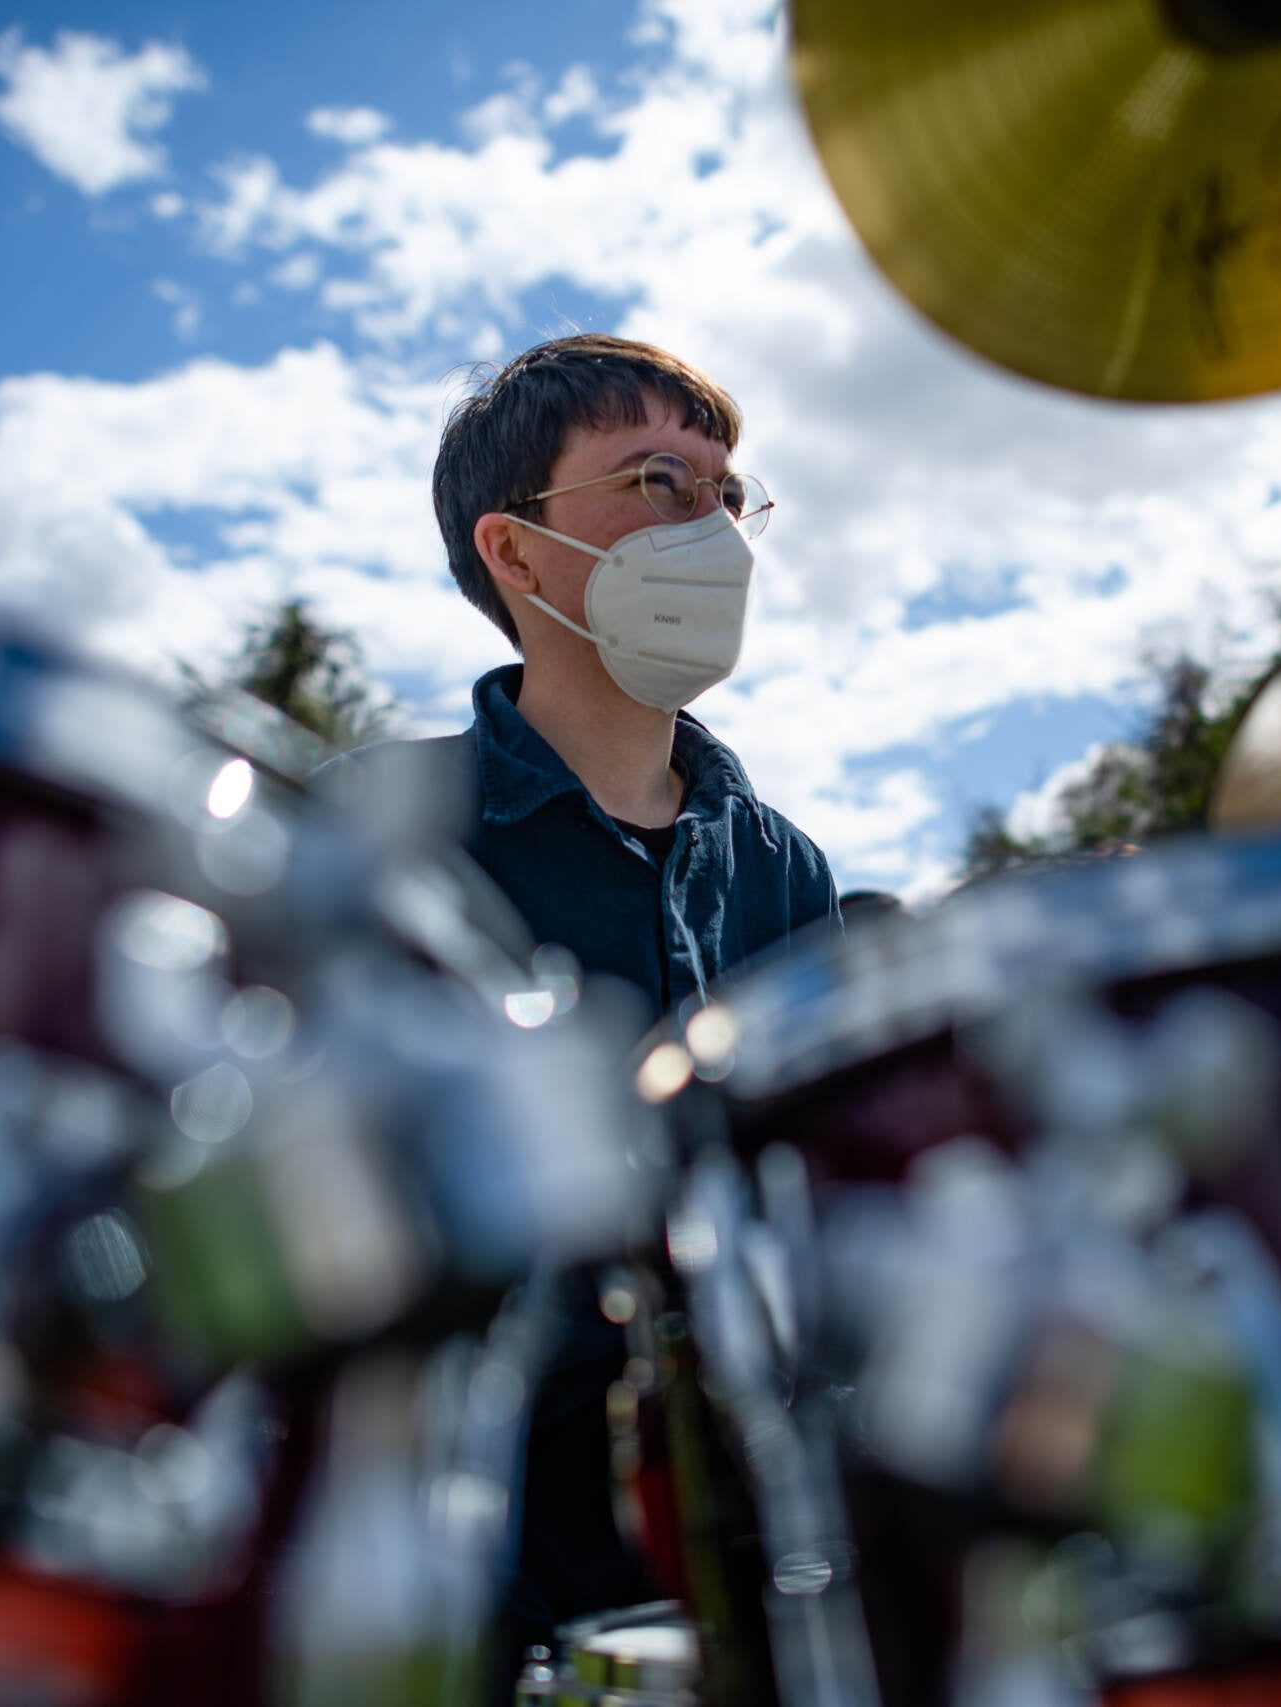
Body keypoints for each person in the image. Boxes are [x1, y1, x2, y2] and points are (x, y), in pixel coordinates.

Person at [350, 333, 840, 1670]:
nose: (720, 530)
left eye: (728, 493)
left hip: (756, 1582)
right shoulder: (387, 835)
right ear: (514, 553)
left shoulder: (787, 869)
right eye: (660, 484)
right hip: (461, 1582)